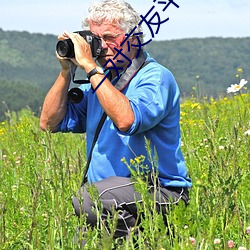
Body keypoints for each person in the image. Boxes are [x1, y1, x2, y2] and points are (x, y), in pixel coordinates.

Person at [40, 0, 192, 244]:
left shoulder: (154, 77)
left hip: (160, 192)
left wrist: (90, 67)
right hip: (110, 199)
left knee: (88, 200)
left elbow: (127, 120)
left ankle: (146, 241)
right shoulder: (102, 83)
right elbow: (49, 123)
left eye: (110, 37)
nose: (102, 47)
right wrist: (66, 70)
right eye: (96, 39)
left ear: (134, 38)